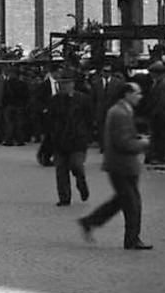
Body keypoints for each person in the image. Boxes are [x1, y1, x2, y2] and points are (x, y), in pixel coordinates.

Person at [78, 82, 152, 250]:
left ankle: (89, 222)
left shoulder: (122, 111)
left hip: (121, 164)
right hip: (121, 165)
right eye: (137, 93)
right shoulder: (119, 113)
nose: (140, 97)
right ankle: (132, 240)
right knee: (132, 203)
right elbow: (123, 142)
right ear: (127, 94)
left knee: (121, 200)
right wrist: (143, 143)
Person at [47, 67, 93, 206]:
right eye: (61, 83)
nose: (63, 86)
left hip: (78, 140)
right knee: (61, 170)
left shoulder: (83, 99)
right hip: (60, 140)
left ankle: (81, 182)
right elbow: (50, 120)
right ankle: (64, 197)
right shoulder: (55, 100)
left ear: (72, 84)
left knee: (76, 165)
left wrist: (88, 136)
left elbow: (89, 119)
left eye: (66, 83)